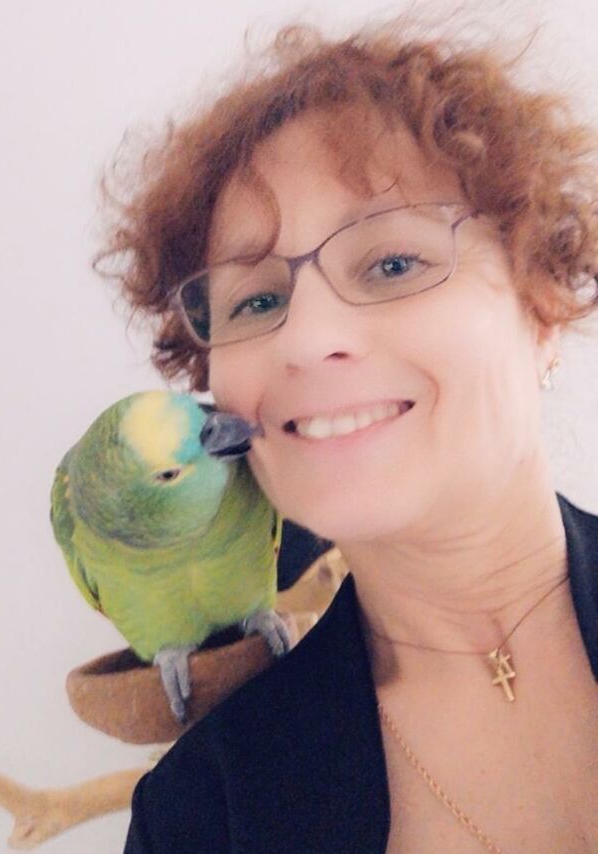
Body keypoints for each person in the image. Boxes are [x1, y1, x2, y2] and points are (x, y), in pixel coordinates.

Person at [97, 16, 598, 853]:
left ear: (542, 301)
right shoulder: (198, 815)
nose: (303, 339)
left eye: (393, 263)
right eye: (256, 301)